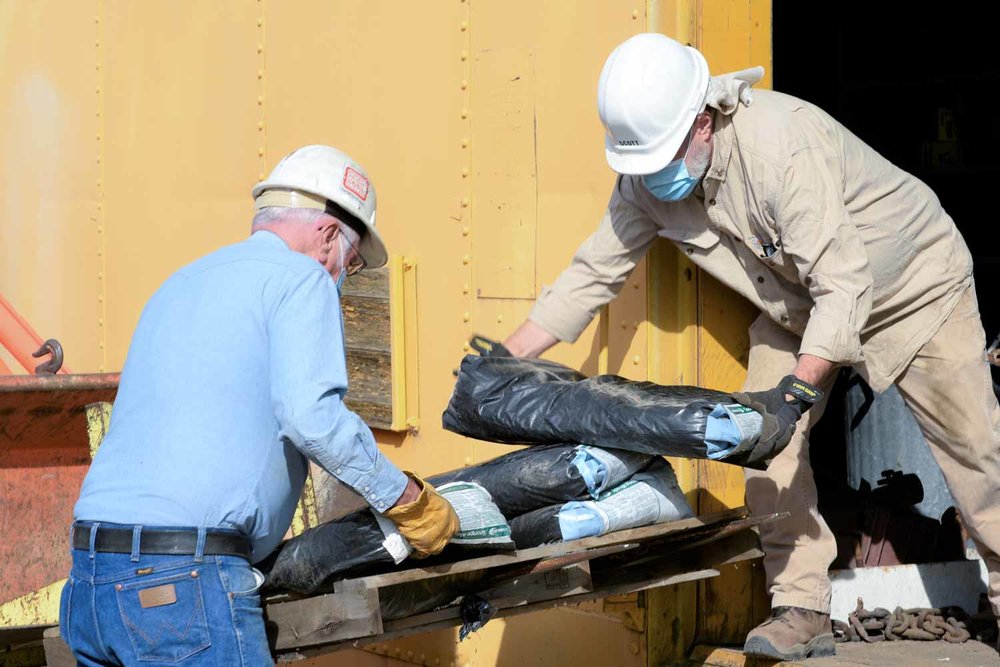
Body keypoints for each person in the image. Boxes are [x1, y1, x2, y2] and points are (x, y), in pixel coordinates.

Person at [502, 33, 1000, 660]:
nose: (655, 176)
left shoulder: (780, 147)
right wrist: (507, 357)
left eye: (663, 156)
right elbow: (593, 272)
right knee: (765, 446)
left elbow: (844, 283)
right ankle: (801, 604)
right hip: (798, 310)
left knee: (977, 457)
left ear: (704, 122)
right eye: (643, 163)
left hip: (916, 286)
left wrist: (797, 389)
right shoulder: (648, 179)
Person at [61, 145, 459, 666]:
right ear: (326, 235)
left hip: (89, 583)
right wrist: (406, 498)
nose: (345, 272)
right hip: (178, 588)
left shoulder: (181, 282)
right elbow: (311, 418)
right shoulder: (302, 279)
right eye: (353, 260)